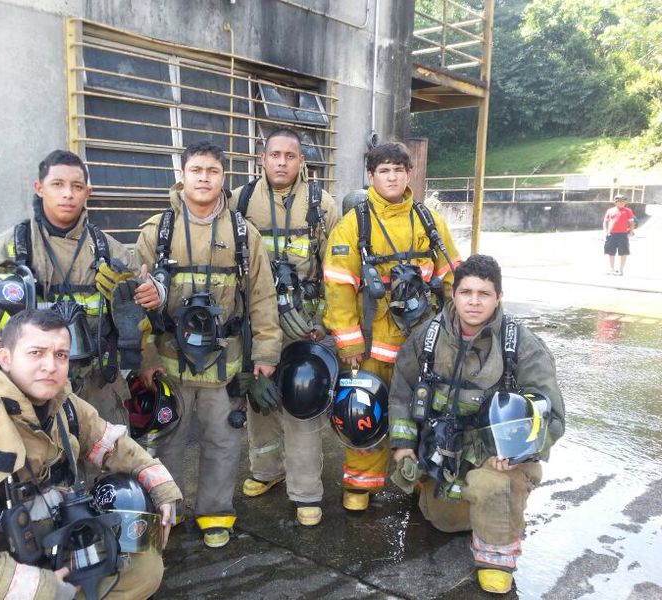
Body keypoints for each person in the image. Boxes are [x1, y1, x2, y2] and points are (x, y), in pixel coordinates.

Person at [0, 309, 183, 599]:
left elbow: (115, 446)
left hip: (57, 544)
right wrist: (46, 589)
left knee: (145, 567)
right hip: (9, 575)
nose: (50, 366)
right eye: (36, 353)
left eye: (60, 355)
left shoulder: (64, 407)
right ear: (5, 359)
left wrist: (162, 489)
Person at [0, 150, 162, 426]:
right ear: (39, 188)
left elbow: (146, 313)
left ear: (88, 193)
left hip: (99, 393)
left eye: (77, 186)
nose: (68, 194)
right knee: (37, 467)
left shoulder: (110, 251)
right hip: (28, 396)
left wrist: (152, 296)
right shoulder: (8, 248)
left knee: (109, 465)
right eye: (57, 184)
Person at [389, 255, 565, 594]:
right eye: (466, 292)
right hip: (444, 453)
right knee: (443, 521)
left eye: (484, 294)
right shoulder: (427, 337)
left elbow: (552, 416)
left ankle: (497, 554)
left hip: (495, 459)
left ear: (498, 297)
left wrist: (517, 452)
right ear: (453, 294)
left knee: (494, 487)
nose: (473, 301)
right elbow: (400, 393)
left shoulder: (522, 345)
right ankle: (452, 499)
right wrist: (404, 447)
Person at [134, 141, 281, 548]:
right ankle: (169, 508)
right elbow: (136, 304)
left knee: (222, 438)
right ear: (181, 175)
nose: (203, 177)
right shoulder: (156, 231)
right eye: (196, 169)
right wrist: (146, 358)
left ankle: (215, 511)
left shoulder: (242, 233)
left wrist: (267, 353)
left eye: (212, 171)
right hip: (168, 362)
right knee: (169, 439)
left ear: (223, 177)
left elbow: (263, 297)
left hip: (225, 363)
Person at [322, 141, 460, 512]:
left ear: (409, 174)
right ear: (371, 176)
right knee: (364, 410)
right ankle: (360, 485)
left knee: (423, 412)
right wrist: (348, 342)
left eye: (399, 170)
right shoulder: (355, 225)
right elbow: (338, 285)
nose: (392, 176)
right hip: (371, 346)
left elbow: (452, 277)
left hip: (421, 345)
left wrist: (459, 333)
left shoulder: (429, 221)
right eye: (384, 170)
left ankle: (417, 476)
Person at [229, 128, 339, 527]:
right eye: (274, 154)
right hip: (256, 320)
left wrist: (324, 323)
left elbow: (335, 268)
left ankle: (306, 491)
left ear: (301, 161)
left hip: (302, 322)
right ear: (262, 158)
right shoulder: (240, 201)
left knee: (302, 401)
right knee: (260, 398)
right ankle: (265, 470)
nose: (281, 162)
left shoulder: (320, 204)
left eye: (289, 156)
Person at [603, 193, 634, 276]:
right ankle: (611, 269)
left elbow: (631, 223)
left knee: (623, 252)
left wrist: (630, 232)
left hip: (623, 235)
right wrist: (606, 232)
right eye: (619, 201)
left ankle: (621, 270)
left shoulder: (628, 211)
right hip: (611, 234)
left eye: (623, 201)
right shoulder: (610, 210)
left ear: (625, 202)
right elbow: (605, 222)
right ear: (615, 202)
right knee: (610, 252)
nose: (621, 203)